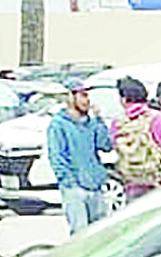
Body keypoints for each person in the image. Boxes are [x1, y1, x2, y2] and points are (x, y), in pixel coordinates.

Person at [45, 84, 116, 234]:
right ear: (71, 98)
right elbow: (56, 156)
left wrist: (99, 120)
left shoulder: (90, 122)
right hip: (74, 187)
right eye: (82, 95)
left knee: (99, 231)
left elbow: (106, 145)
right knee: (80, 232)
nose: (86, 100)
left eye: (87, 96)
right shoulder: (59, 124)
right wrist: (68, 182)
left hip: (95, 185)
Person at [109, 75, 161, 203]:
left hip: (133, 185)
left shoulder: (117, 123)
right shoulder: (159, 119)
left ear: (123, 100)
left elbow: (116, 149)